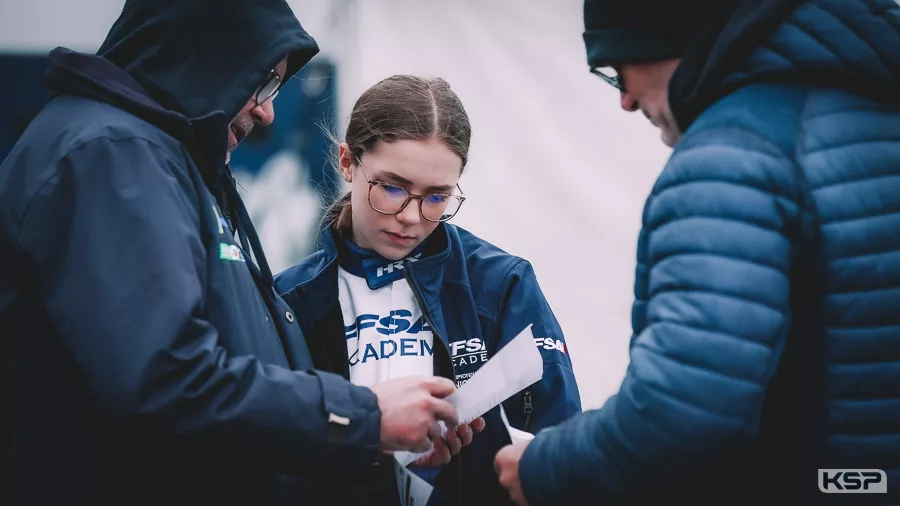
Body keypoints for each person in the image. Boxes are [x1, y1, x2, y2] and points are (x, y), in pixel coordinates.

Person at [0, 1, 462, 504]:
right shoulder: (110, 154)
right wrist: (363, 418)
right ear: (203, 51)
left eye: (438, 197)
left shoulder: (147, 156)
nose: (266, 112)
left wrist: (367, 442)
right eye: (261, 82)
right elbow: (166, 379)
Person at [495, 0, 900, 504]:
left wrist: (547, 467)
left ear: (666, 36)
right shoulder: (879, 116)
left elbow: (686, 407)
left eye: (615, 68)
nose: (624, 99)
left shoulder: (732, 155)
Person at [274, 74, 583, 506]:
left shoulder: (501, 283)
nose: (411, 217)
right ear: (346, 162)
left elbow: (560, 437)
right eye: (393, 188)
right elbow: (270, 445)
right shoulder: (291, 296)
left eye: (436, 197)